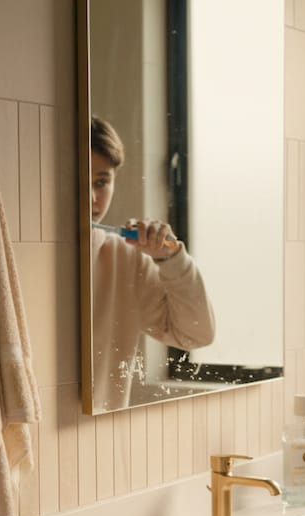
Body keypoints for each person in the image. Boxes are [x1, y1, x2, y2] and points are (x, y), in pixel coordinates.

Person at [89, 115, 215, 411]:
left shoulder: (125, 258)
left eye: (101, 182)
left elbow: (195, 334)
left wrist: (172, 259)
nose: (91, 197)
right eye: (78, 181)